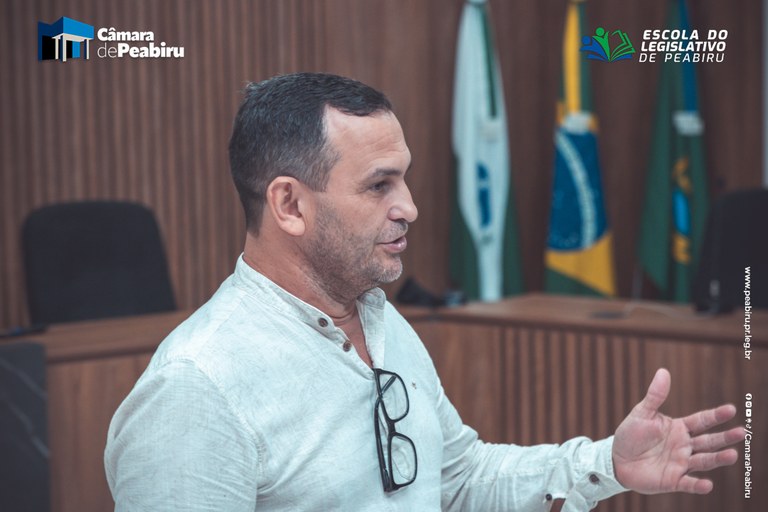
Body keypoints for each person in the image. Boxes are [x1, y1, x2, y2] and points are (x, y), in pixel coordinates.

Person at [104, 72, 743, 511]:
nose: (409, 207)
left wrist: (606, 463)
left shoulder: (384, 323)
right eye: (378, 185)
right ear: (290, 205)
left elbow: (459, 482)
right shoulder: (195, 389)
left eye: (404, 180)